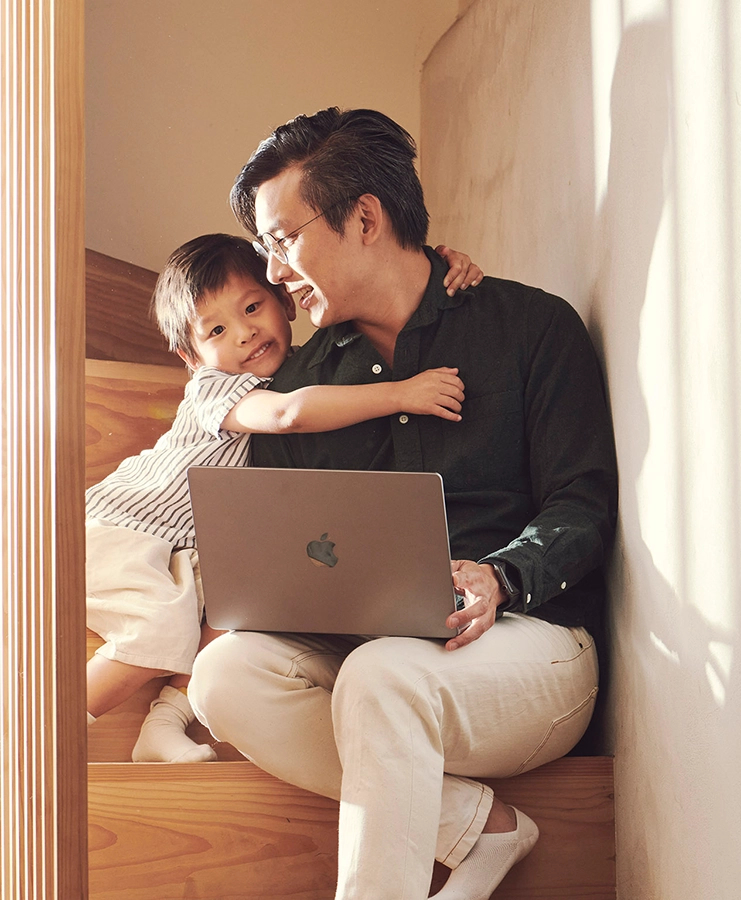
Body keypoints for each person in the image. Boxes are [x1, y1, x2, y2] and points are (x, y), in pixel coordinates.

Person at [188, 107, 618, 900]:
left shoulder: (529, 327)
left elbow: (582, 503)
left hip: (535, 646)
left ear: (365, 217)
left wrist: (501, 578)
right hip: (374, 666)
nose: (273, 273)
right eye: (264, 248)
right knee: (222, 676)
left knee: (382, 676)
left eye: (282, 240)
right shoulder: (296, 390)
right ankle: (476, 827)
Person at [85, 232, 481, 764]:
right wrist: (401, 394)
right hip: (122, 529)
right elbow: (287, 414)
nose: (246, 333)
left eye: (253, 307)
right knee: (159, 626)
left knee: (237, 609)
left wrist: (440, 265)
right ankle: (46, 727)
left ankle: (163, 725)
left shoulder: (304, 370)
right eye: (218, 329)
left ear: (285, 300)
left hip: (187, 551)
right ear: (191, 354)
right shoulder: (214, 387)